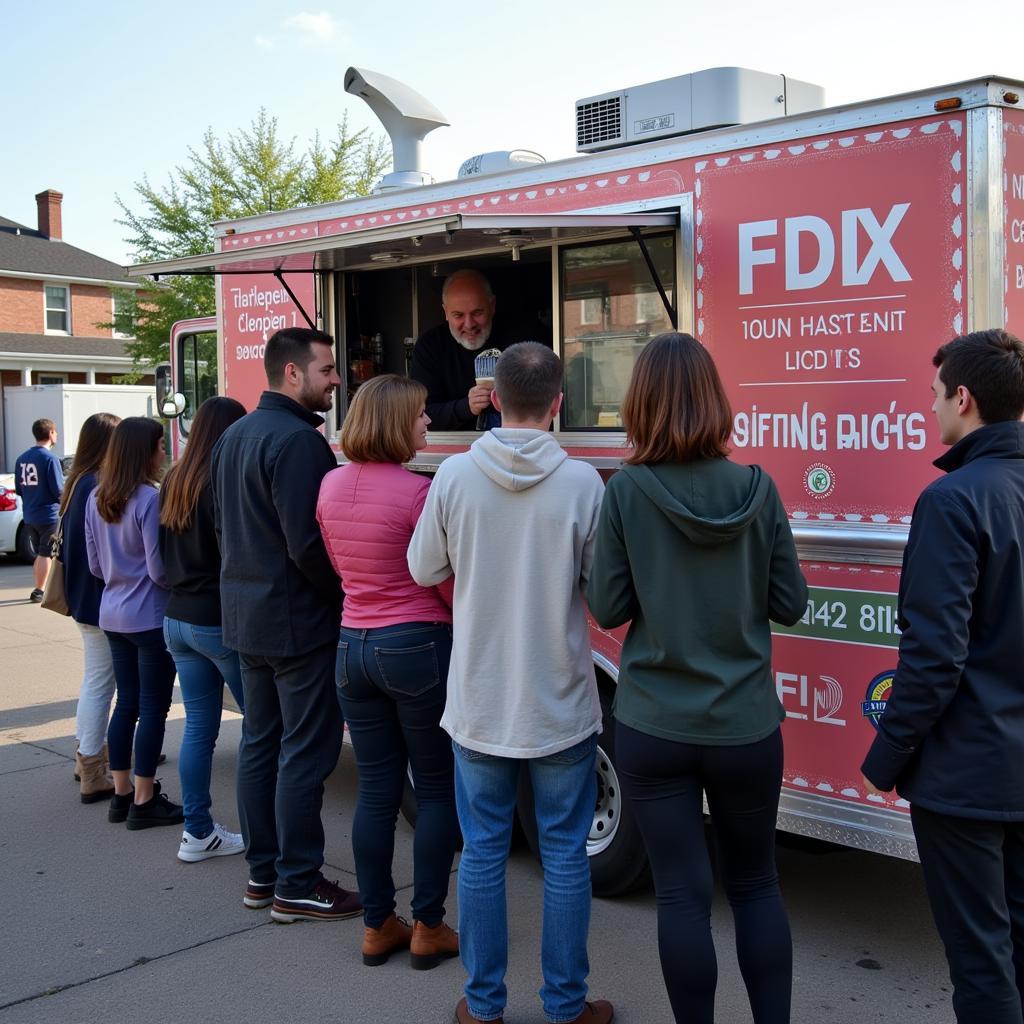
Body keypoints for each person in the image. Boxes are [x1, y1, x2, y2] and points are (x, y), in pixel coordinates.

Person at [586, 332, 808, 1024]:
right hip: (744, 725)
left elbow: (608, 607)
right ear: (715, 401)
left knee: (683, 896)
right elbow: (792, 603)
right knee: (756, 885)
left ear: (639, 404)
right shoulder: (757, 488)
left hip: (654, 725)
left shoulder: (626, 494)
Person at [408, 342, 613, 1024]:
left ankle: (484, 1004)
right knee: (564, 855)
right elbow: (600, 592)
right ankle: (565, 1005)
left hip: (480, 700)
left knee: (484, 854)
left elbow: (422, 567)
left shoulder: (455, 478)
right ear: (559, 402)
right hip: (560, 701)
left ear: (494, 397)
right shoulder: (585, 484)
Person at [861, 329, 1024, 1024]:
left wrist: (884, 758)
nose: (930, 410)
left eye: (933, 396)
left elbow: (933, 659)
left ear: (964, 398)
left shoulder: (953, 500)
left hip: (966, 781)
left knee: (981, 962)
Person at [211, 326, 360, 922]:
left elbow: (224, 531)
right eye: (327, 370)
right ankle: (297, 881)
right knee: (304, 752)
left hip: (246, 619)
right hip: (297, 623)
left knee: (259, 745)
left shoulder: (234, 435)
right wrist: (346, 596)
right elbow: (308, 545)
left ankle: (263, 875)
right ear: (292, 374)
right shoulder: (298, 443)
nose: (336, 379)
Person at [316, 374, 459, 969]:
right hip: (416, 646)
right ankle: (428, 925)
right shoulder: (418, 493)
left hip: (352, 648)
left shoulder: (327, 485)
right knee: (434, 788)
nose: (428, 423)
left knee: (375, 791)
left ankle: (378, 925)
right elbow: (442, 579)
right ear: (399, 421)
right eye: (422, 414)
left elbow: (337, 567)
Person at [159, 396, 247, 863]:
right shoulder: (222, 481)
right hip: (216, 620)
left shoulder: (174, 477)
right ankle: (267, 834)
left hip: (176, 617)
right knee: (264, 726)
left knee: (198, 730)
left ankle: (197, 832)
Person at [85, 416, 182, 829]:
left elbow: (94, 565)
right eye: (160, 446)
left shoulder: (96, 498)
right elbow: (159, 570)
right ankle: (145, 798)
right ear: (144, 453)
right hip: (148, 615)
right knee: (154, 708)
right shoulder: (148, 499)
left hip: (112, 613)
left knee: (126, 703)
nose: (164, 453)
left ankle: (121, 792)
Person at [61, 412, 121, 803]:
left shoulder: (76, 484)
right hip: (100, 601)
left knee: (94, 680)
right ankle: (92, 769)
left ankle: (88, 752)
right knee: (102, 683)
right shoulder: (98, 486)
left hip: (81, 598)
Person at [410, 268, 517, 430]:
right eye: (458, 315)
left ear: (492, 305)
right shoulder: (430, 346)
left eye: (477, 312)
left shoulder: (521, 337)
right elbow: (421, 413)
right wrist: (466, 407)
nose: (469, 324)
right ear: (445, 312)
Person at [15, 417, 65, 602]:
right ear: (51, 433)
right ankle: (39, 590)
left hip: (29, 514)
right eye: (56, 432)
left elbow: (19, 489)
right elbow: (58, 490)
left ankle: (39, 586)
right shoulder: (50, 458)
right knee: (46, 553)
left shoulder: (21, 459)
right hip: (49, 514)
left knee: (40, 553)